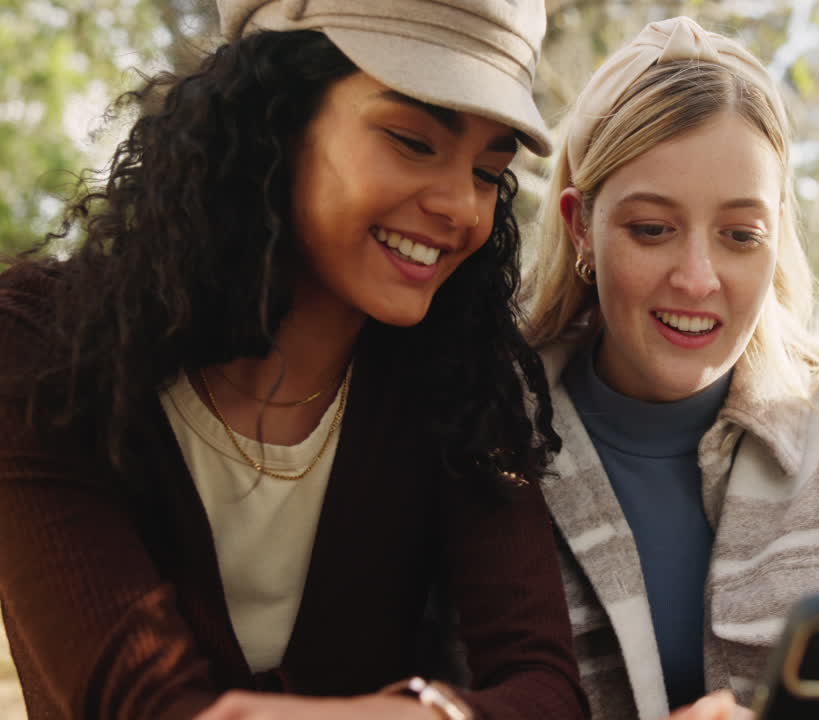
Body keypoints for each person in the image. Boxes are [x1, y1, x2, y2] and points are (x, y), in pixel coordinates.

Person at [0, 2, 589, 719]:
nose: (464, 208)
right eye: (413, 141)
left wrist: (426, 715)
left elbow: (546, 688)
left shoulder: (461, 384)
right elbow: (141, 703)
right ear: (273, 117)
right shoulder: (38, 346)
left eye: (491, 172)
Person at [523, 16, 819, 720]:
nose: (697, 279)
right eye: (652, 229)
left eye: (739, 236)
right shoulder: (490, 425)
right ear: (580, 227)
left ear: (776, 237)